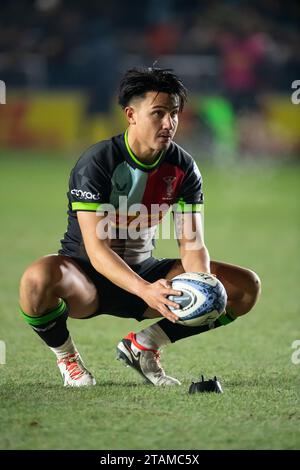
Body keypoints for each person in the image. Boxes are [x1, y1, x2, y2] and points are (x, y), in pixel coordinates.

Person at [19, 67, 261, 387]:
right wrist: (144, 289)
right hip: (86, 279)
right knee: (37, 278)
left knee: (244, 288)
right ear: (131, 115)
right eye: (158, 113)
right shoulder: (98, 162)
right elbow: (96, 247)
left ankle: (145, 344)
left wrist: (202, 283)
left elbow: (191, 243)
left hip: (146, 277)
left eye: (174, 113)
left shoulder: (183, 166)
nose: (168, 123)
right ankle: (69, 360)